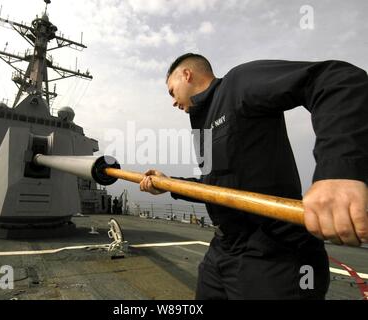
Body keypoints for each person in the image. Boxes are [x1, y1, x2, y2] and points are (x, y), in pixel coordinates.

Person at [139, 53, 368, 299]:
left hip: (274, 255)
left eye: (172, 92)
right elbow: (213, 187)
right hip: (223, 251)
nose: (173, 102)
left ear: (187, 74)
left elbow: (335, 80)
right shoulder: (202, 125)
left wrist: (338, 171)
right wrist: (169, 183)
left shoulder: (238, 84)